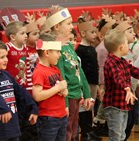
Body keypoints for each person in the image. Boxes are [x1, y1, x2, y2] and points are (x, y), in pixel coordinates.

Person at [44, 5, 92, 141]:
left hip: (76, 95)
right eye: (69, 23)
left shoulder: (69, 46)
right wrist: (64, 103)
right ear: (57, 27)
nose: (72, 27)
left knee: (75, 128)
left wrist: (87, 93)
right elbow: (60, 76)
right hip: (67, 96)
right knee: (67, 130)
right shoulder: (54, 49)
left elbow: (79, 70)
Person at [0, 38, 38, 141]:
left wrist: (33, 107)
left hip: (13, 126)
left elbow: (21, 91)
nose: (6, 59)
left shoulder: (6, 74)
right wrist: (4, 108)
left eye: (6, 56)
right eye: (2, 57)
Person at [103, 29, 139, 141]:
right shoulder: (110, 62)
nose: (129, 46)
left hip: (123, 105)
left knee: (122, 135)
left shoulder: (123, 62)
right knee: (116, 135)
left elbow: (134, 71)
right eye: (127, 44)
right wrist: (127, 88)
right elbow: (117, 78)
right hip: (114, 106)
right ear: (121, 47)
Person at [32, 33, 68, 141]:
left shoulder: (55, 69)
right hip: (48, 119)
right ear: (47, 52)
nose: (59, 55)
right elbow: (37, 96)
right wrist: (57, 89)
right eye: (57, 51)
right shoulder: (39, 71)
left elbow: (64, 89)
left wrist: (64, 91)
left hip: (61, 116)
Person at [76, 16, 101, 141]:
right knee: (85, 107)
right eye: (92, 32)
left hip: (93, 82)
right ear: (83, 33)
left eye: (95, 32)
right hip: (85, 83)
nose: (95, 35)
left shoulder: (92, 48)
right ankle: (85, 131)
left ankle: (90, 129)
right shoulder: (79, 50)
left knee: (91, 107)